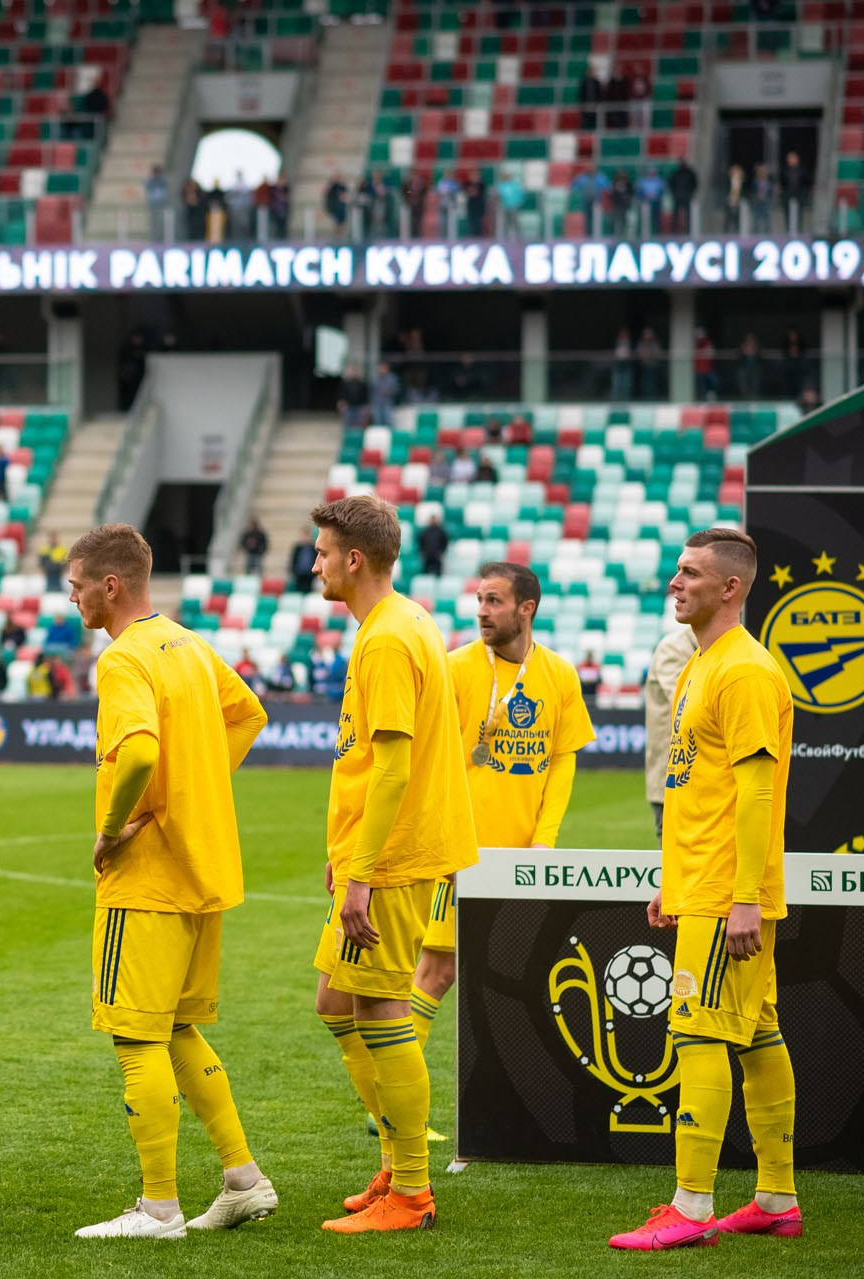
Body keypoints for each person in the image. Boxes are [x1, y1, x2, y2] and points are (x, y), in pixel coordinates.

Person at [64, 524, 276, 1238]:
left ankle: (158, 1206)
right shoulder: (187, 641)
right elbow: (248, 712)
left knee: (135, 1037)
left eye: (76, 582)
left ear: (110, 585)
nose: (71, 595)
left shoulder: (124, 657)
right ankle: (243, 1177)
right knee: (179, 1027)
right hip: (201, 865)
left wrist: (114, 825)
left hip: (149, 875)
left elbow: (139, 754)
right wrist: (199, 785)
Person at [611, 529, 801, 1249]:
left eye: (690, 572)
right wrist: (672, 877)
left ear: (732, 588)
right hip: (704, 883)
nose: (675, 581)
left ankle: (690, 1209)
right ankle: (776, 1198)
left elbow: (756, 794)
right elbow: (696, 786)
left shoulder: (746, 670)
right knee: (756, 1035)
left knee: (694, 1033)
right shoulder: (700, 663)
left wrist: (743, 896)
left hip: (728, 892)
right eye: (676, 570)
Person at [306, 494, 478, 1234]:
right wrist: (344, 854)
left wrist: (364, 870)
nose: (312, 563)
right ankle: (396, 1158)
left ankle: (411, 1191)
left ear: (354, 558)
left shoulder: (386, 637)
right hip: (379, 852)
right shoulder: (399, 622)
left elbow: (392, 769)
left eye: (321, 552)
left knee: (380, 1007)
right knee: (336, 1003)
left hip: (397, 857)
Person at [409, 564, 594, 1073]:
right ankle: (391, 1099)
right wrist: (444, 837)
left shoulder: (558, 674)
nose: (482, 611)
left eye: (494, 601)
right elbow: (428, 760)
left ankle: (515, 1087)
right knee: (437, 971)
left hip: (524, 859)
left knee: (524, 974)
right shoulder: (456, 668)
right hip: (461, 855)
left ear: (526, 609)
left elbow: (562, 758)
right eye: (480, 600)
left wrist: (544, 841)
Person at [644, 621, 699, 839]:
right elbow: (687, 703)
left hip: (707, 781)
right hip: (674, 779)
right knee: (676, 862)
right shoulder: (674, 648)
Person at [670, 160, 698, 234]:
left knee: (688, 215)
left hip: (687, 197)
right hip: (677, 197)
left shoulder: (690, 174)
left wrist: (690, 194)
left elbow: (694, 184)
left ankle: (689, 230)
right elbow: (671, 184)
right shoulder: (676, 174)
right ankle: (674, 231)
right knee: (676, 215)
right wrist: (675, 194)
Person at [289, 528, 319, 594]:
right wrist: (293, 571)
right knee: (299, 591)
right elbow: (293, 560)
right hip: (299, 574)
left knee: (309, 591)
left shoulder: (313, 548)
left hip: (310, 574)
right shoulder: (297, 548)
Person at [144, 165, 169, 242]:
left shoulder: (163, 182)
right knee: (153, 224)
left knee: (161, 224)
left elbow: (164, 193)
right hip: (152, 207)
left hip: (161, 206)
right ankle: (153, 239)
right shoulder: (150, 182)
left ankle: (161, 239)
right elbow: (149, 194)